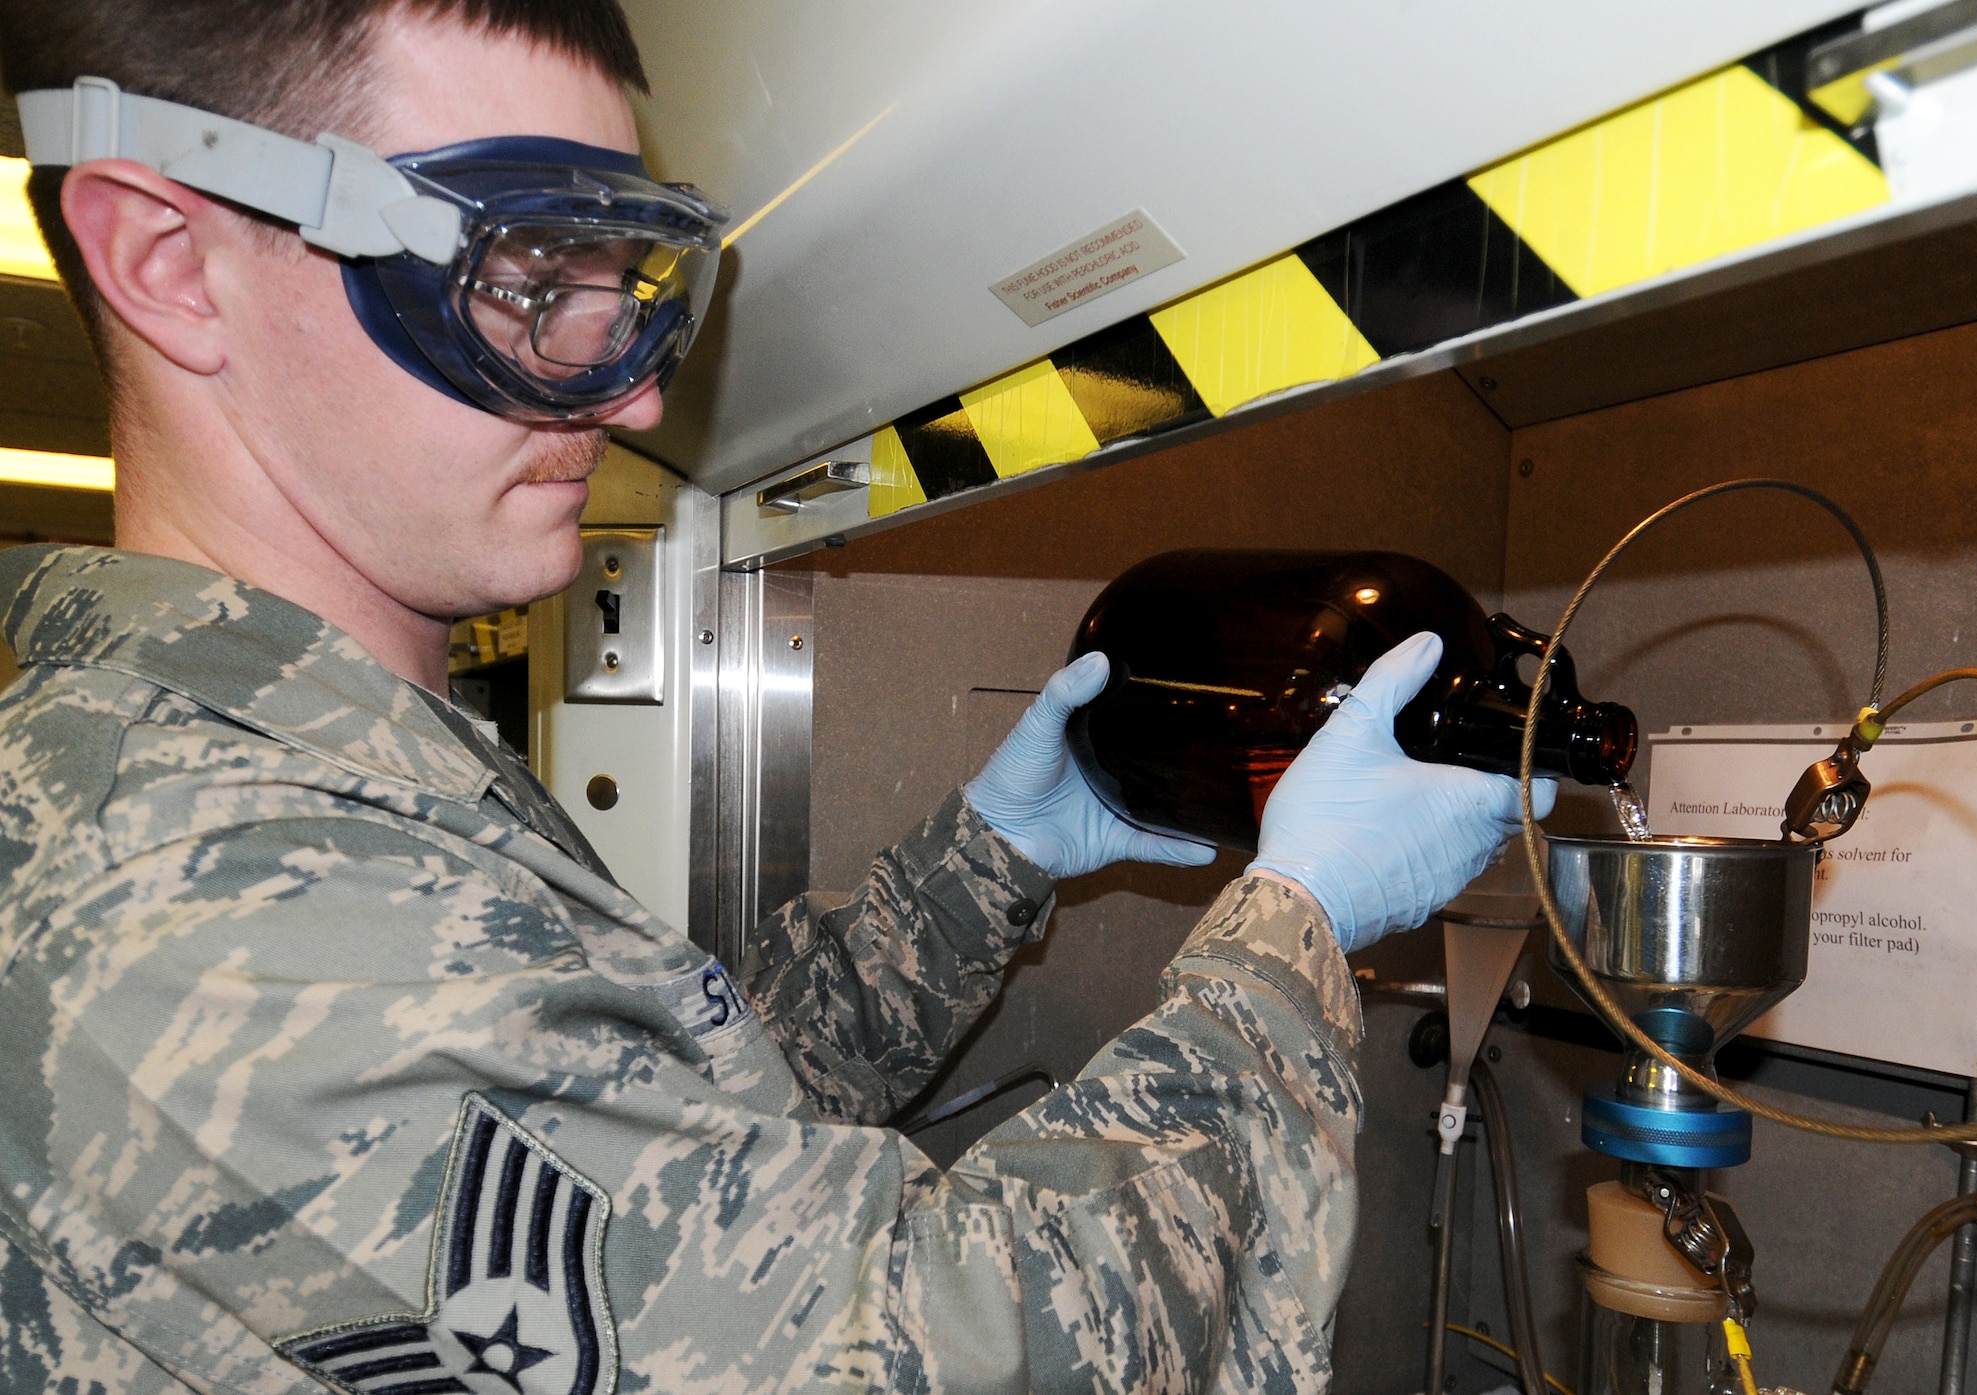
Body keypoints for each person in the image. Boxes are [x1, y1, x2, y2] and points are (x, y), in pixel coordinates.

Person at [0, 3, 1553, 1390]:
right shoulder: (213, 903)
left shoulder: (323, 780)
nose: (633, 390)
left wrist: (986, 866)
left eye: (625, 284)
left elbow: (678, 1161)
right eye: (531, 273)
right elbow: (942, 1353)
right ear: (169, 262)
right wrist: (1295, 931)